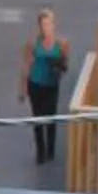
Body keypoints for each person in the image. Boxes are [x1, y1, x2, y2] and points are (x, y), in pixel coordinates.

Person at [21, 9, 70, 164]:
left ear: (53, 25)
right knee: (37, 118)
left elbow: (65, 64)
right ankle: (40, 151)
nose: (46, 27)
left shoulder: (62, 43)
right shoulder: (32, 43)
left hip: (51, 85)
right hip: (35, 84)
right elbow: (26, 65)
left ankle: (50, 149)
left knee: (51, 116)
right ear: (39, 26)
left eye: (49, 23)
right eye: (43, 24)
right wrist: (22, 89)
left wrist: (59, 71)